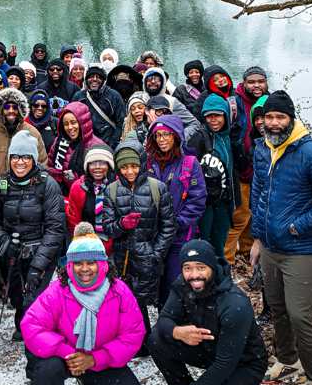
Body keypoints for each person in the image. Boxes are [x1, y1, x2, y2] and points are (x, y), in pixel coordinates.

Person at [248, 91, 312, 385]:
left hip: (300, 249)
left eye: (281, 117)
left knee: (300, 314)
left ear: (291, 119)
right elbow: (258, 194)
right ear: (261, 120)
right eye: (269, 117)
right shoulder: (262, 148)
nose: (274, 123)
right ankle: (287, 358)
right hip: (269, 247)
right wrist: (256, 238)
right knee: (277, 309)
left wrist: (295, 227)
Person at [21, 222, 146, 385]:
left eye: (91, 262)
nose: (85, 269)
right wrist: (68, 353)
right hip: (63, 357)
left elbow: (132, 334)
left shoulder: (119, 290)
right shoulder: (59, 289)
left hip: (102, 360)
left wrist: (94, 359)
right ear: (70, 266)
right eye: (79, 263)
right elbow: (32, 325)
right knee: (47, 371)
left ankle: (91, 383)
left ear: (102, 264)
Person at [149, 240, 268, 385]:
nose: (194, 275)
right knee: (156, 341)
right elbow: (164, 319)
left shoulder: (234, 304)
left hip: (243, 364)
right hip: (209, 349)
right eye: (187, 268)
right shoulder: (183, 284)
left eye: (200, 267)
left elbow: (225, 364)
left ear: (212, 268)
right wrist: (177, 332)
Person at [0, 131, 67, 334]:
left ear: (33, 159)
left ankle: (37, 332)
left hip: (41, 250)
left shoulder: (47, 185)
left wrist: (38, 264)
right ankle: (23, 325)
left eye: (25, 157)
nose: (19, 162)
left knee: (33, 293)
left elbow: (56, 229)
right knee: (16, 296)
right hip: (13, 252)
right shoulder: (1, 185)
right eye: (15, 156)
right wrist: (4, 242)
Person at [103, 140, 175, 354]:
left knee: (142, 301)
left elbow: (168, 225)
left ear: (142, 164)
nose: (130, 171)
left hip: (147, 257)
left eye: (134, 166)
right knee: (124, 301)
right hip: (121, 258)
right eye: (124, 167)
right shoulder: (112, 190)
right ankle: (135, 342)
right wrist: (121, 225)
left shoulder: (157, 188)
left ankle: (148, 343)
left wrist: (156, 254)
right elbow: (108, 228)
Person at [143, 114, 206, 305]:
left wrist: (175, 223)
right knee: (156, 283)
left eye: (166, 135)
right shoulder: (147, 162)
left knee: (176, 282)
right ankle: (164, 323)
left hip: (180, 236)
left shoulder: (189, 163)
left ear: (176, 136)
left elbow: (197, 200)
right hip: (151, 234)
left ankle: (180, 322)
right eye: (158, 136)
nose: (161, 140)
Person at [188, 94, 246, 259]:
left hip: (225, 201)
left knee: (219, 244)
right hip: (204, 202)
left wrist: (236, 143)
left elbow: (242, 165)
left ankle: (220, 277)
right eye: (209, 116)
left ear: (226, 115)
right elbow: (187, 168)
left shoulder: (229, 137)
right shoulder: (200, 137)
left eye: (218, 115)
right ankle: (202, 277)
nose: (213, 120)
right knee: (203, 243)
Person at [226, 70, 267, 266]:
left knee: (255, 216)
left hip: (263, 171)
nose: (256, 86)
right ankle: (226, 261)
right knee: (239, 218)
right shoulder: (235, 102)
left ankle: (246, 252)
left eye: (261, 81)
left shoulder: (270, 102)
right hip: (241, 169)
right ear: (244, 83)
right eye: (252, 82)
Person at [0, 86, 45, 176]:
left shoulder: (33, 134)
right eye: (6, 107)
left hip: (26, 188)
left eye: (15, 107)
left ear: (20, 109)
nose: (11, 110)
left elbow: (42, 163)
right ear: (0, 109)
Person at [65, 145, 117, 249]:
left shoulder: (118, 185)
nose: (97, 167)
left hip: (114, 245)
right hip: (86, 243)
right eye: (92, 163)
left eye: (102, 163)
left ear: (109, 165)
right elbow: (73, 221)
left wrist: (108, 245)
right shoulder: (78, 187)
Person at [191, 66, 246, 150]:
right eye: (215, 80)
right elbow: (198, 118)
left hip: (236, 135)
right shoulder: (205, 97)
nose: (220, 80)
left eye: (222, 76)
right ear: (210, 84)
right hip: (216, 136)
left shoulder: (236, 94)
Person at [73, 64, 126, 147]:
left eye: (98, 77)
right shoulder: (79, 97)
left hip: (108, 144)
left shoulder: (113, 96)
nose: (94, 79)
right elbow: (73, 122)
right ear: (86, 79)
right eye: (91, 76)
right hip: (84, 144)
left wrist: (112, 144)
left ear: (104, 80)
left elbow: (121, 123)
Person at [48, 101, 95, 188]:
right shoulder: (58, 142)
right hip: (61, 195)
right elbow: (49, 166)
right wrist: (53, 173)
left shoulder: (96, 146)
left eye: (73, 122)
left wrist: (79, 182)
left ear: (82, 122)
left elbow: (102, 179)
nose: (69, 127)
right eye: (66, 124)